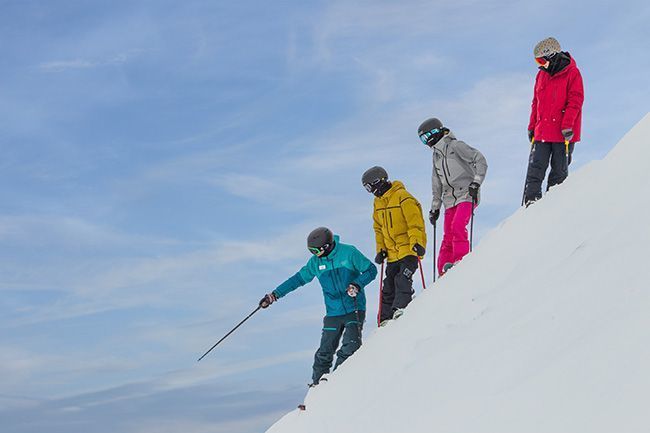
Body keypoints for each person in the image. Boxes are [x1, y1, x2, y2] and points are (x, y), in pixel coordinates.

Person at [259, 227, 376, 386]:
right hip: (333, 312)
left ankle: (339, 380)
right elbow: (297, 279)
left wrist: (357, 284)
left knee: (351, 346)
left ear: (326, 247)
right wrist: (274, 295)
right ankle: (318, 386)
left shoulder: (349, 253)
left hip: (354, 307)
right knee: (324, 352)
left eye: (315, 251)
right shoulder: (315, 262)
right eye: (311, 251)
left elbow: (371, 270)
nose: (314, 255)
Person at [417, 117, 488, 276]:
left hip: (467, 194)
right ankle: (443, 271)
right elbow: (436, 184)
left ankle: (460, 260)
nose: (426, 142)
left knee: (457, 226)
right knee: (448, 234)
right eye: (422, 140)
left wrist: (476, 182)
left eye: (426, 137)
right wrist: (435, 208)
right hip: (449, 199)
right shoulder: (436, 157)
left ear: (435, 132)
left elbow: (480, 159)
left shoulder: (456, 146)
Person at [524, 36, 584, 207]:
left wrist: (568, 125)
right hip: (542, 131)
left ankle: (553, 207)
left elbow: (575, 101)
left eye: (541, 60)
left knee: (559, 172)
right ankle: (531, 203)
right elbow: (536, 102)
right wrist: (532, 126)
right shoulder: (541, 75)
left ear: (552, 56)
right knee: (535, 169)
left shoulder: (572, 73)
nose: (539, 64)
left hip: (563, 133)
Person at [361, 166, 426, 325]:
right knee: (388, 285)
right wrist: (381, 250)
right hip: (391, 254)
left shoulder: (403, 197)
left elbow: (415, 222)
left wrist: (417, 242)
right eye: (367, 189)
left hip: (409, 250)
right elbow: (378, 229)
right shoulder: (378, 204)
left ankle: (401, 307)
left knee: (403, 278)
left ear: (379, 181)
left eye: (370, 186)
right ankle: (384, 318)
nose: (371, 191)